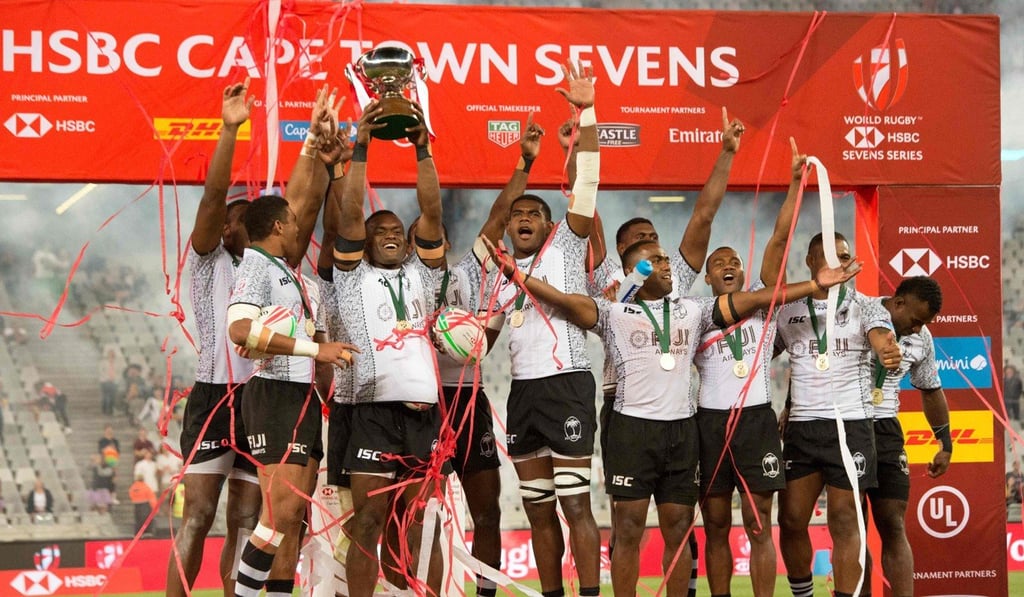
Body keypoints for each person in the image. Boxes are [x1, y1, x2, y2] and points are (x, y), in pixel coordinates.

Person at [484, 235, 859, 596]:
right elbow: (565, 301)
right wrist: (519, 276)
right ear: (636, 272)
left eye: (666, 259)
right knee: (628, 529)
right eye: (656, 260)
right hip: (632, 430)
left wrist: (812, 285)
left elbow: (756, 299)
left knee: (679, 530)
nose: (667, 265)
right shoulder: (613, 312)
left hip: (682, 431)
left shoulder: (693, 310)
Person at [168, 80, 338, 597]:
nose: (228, 219)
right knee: (198, 516)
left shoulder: (272, 265)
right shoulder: (207, 261)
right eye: (225, 217)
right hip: (215, 395)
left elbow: (302, 206)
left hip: (264, 396)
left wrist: (316, 152)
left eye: (240, 214)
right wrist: (229, 129)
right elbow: (216, 196)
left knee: (247, 519)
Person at [581, 106, 744, 597]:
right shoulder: (606, 281)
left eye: (656, 241)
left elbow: (704, 215)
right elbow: (585, 208)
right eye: (643, 242)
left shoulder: (677, 286)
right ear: (623, 250)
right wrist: (587, 126)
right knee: (628, 527)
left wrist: (727, 154)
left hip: (678, 414)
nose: (655, 248)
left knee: (679, 523)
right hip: (625, 411)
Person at [318, 96, 446, 597]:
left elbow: (430, 212)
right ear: (364, 243)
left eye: (398, 231)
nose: (391, 234)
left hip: (423, 413)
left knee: (411, 524)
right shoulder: (350, 278)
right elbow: (350, 214)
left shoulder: (422, 272)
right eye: (381, 231)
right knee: (368, 522)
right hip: (371, 410)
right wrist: (362, 147)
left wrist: (422, 153)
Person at [227, 131, 357, 597]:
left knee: (292, 516)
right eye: (293, 222)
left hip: (299, 398)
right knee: (277, 514)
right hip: (274, 396)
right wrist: (314, 350)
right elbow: (239, 331)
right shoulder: (256, 266)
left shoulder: (292, 276)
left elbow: (305, 200)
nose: (301, 227)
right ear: (280, 225)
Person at [694, 138, 804, 597]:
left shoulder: (764, 302)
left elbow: (778, 239)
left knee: (760, 526)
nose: (728, 265)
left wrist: (795, 184)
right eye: (718, 262)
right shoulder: (695, 313)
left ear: (743, 274)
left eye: (734, 261)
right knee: (716, 526)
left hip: (756, 420)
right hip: (709, 423)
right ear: (707, 277)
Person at [775, 232, 903, 597]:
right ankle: (803, 593)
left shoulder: (868, 306)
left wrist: (886, 352)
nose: (839, 263)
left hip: (851, 426)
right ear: (810, 263)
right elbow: (761, 353)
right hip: (802, 427)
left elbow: (882, 340)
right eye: (830, 257)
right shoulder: (789, 310)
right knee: (791, 519)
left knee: (846, 519)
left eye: (845, 256)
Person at [862, 276, 950, 597]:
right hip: (849, 424)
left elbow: (930, 389)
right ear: (898, 303)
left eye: (924, 323)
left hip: (886, 429)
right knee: (852, 527)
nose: (918, 329)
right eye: (915, 321)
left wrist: (946, 443)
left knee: (894, 524)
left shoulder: (922, 338)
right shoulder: (863, 312)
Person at [99, 345, 124, 416]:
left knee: (112, 396)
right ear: (108, 354)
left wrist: (115, 379)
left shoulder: (117, 363)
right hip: (105, 381)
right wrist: (108, 378)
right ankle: (105, 409)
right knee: (106, 396)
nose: (112, 355)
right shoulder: (103, 362)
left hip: (114, 381)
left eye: (113, 353)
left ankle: (110, 409)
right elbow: (101, 372)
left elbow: (119, 372)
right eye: (110, 353)